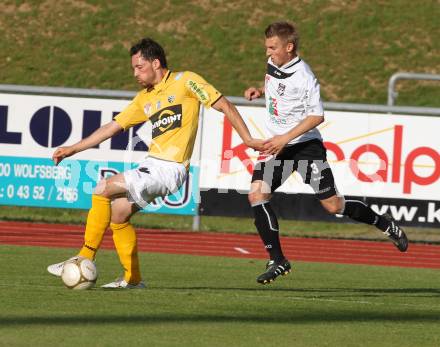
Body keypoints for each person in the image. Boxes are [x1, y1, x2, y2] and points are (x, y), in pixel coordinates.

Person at [47, 37, 264, 288]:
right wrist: (74, 148)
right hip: (152, 166)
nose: (135, 73)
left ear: (156, 62)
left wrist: (247, 139)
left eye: (139, 67)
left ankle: (83, 256)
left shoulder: (186, 81)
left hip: (169, 168)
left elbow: (225, 105)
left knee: (102, 188)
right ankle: (133, 279)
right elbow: (112, 127)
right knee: (119, 214)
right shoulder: (144, 98)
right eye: (133, 68)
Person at [244, 21, 408, 285]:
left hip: (305, 147)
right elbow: (281, 91)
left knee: (333, 205)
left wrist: (285, 138)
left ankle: (383, 223)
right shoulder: (276, 63)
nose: (268, 53)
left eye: (272, 48)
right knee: (257, 194)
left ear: (289, 46)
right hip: (277, 147)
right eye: (267, 48)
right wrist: (260, 91)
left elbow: (317, 115)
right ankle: (277, 260)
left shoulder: (305, 76)